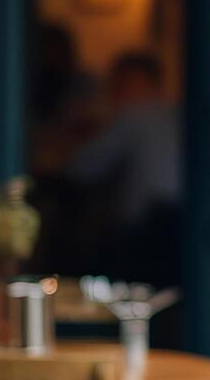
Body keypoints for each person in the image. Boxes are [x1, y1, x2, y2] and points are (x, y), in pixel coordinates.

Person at [67, 52, 181, 285]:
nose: (115, 92)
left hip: (147, 232)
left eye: (120, 84)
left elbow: (82, 169)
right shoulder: (181, 112)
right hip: (188, 230)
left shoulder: (135, 116)